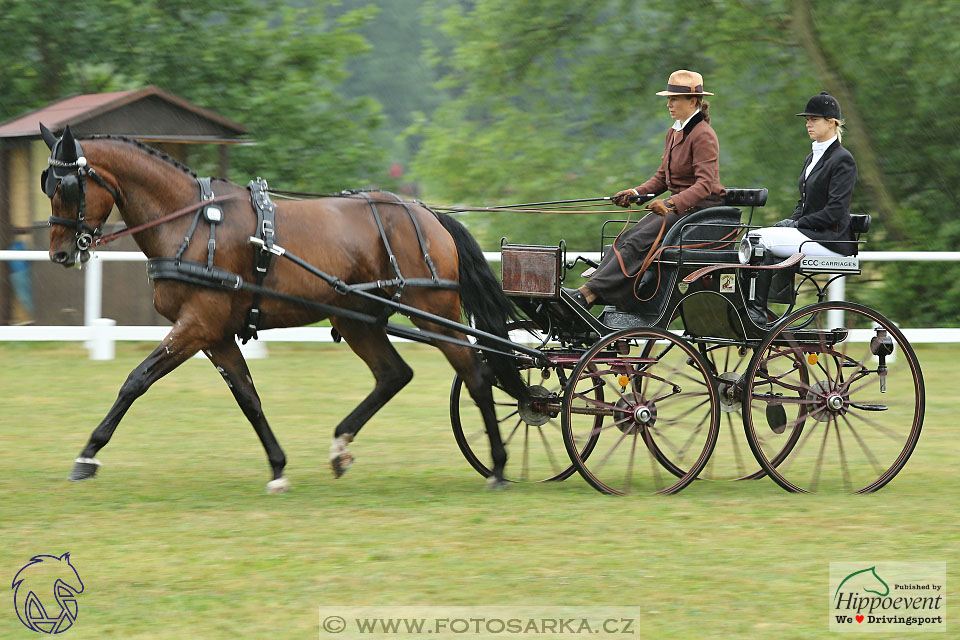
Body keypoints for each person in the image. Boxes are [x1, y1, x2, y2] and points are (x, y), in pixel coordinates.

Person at [565, 69, 725, 310]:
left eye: (674, 99)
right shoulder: (674, 132)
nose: (669, 104)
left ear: (693, 101)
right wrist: (635, 193)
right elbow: (662, 177)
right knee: (625, 238)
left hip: (699, 212)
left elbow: (704, 185)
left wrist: (671, 203)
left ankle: (588, 295)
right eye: (668, 99)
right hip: (678, 210)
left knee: (636, 241)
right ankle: (594, 294)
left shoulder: (704, 135)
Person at [742, 91, 858, 326]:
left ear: (831, 122)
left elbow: (835, 211)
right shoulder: (811, 158)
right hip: (811, 232)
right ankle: (747, 305)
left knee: (759, 240)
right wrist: (790, 220)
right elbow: (803, 203)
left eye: (813, 119)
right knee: (754, 237)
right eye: (807, 119)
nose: (808, 124)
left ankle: (757, 311)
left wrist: (796, 224)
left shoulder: (843, 160)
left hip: (830, 239)